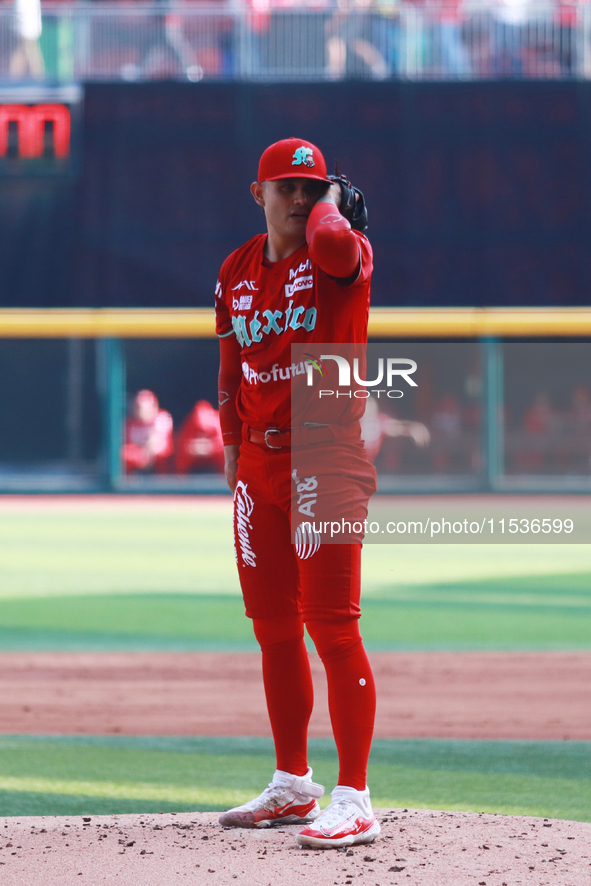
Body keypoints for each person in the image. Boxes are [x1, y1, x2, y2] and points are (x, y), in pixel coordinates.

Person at [214, 137, 380, 849]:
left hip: (324, 457)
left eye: (310, 188)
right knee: (273, 629)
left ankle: (355, 796)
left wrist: (333, 211)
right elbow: (229, 362)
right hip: (258, 464)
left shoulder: (338, 256)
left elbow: (337, 248)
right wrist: (229, 443)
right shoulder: (236, 269)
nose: (298, 197)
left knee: (332, 628)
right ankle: (292, 782)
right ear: (257, 194)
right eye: (284, 186)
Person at [122, 389, 174, 474]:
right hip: (140, 455)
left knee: (159, 455)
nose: (142, 411)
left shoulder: (162, 417)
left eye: (146, 408)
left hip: (159, 458)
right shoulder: (130, 422)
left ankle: (163, 481)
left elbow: (157, 445)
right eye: (139, 407)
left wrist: (144, 453)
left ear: (154, 407)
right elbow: (125, 445)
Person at [175, 399, 224, 474]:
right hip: (195, 456)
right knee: (182, 457)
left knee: (225, 454)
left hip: (213, 455)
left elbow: (223, 444)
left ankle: (225, 477)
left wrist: (208, 448)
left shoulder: (217, 421)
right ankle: (181, 479)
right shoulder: (190, 423)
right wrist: (195, 448)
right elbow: (183, 444)